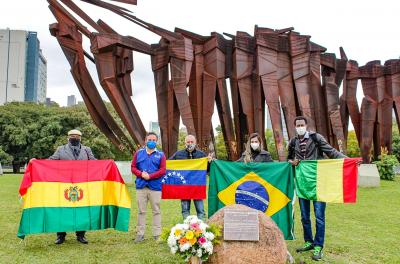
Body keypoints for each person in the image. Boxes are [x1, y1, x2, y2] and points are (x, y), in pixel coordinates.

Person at [287, 116, 346, 261]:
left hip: (319, 182)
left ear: (306, 125)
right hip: (302, 184)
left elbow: (331, 151)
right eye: (297, 125)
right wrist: (292, 162)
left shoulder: (316, 138)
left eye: (302, 124)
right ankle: (309, 241)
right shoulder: (293, 141)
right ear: (295, 126)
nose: (300, 126)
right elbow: (288, 159)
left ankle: (319, 245)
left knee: (319, 216)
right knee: (305, 216)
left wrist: (347, 159)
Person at [48, 129, 96, 245]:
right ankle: (60, 235)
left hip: (82, 185)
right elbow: (50, 161)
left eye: (77, 136)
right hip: (64, 184)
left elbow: (94, 162)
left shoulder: (86, 150)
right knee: (62, 209)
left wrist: (107, 163)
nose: (74, 137)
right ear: (67, 137)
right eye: (72, 136)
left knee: (81, 210)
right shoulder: (60, 149)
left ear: (80, 138)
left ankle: (81, 235)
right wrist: (36, 162)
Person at [131, 132, 166, 243]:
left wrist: (150, 176)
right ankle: (140, 234)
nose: (151, 141)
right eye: (149, 139)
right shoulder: (138, 153)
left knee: (156, 211)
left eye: (154, 140)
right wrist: (141, 174)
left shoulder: (161, 155)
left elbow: (162, 170)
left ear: (157, 141)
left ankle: (157, 234)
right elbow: (133, 167)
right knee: (141, 211)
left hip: (155, 187)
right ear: (145, 140)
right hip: (141, 186)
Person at [169, 134, 209, 220]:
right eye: (188, 142)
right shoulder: (178, 154)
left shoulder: (201, 154)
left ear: (195, 143)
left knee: (200, 210)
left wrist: (209, 162)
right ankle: (186, 228)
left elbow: (207, 169)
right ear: (185, 143)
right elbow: (169, 164)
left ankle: (202, 230)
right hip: (184, 186)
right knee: (185, 209)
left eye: (192, 142)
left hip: (197, 186)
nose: (190, 143)